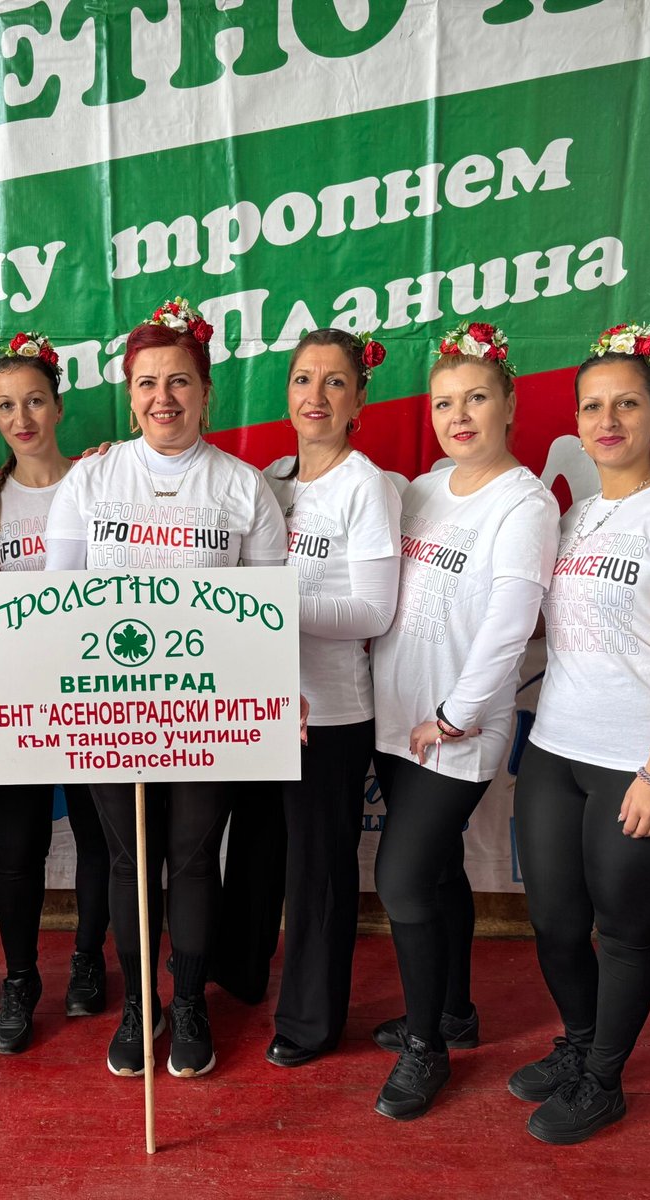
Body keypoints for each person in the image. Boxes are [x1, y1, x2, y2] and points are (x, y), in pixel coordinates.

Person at [45, 297, 287, 1079]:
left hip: (206, 712)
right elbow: (56, 599)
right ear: (129, 394)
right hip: (112, 711)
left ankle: (188, 1003)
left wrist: (279, 694)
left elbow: (266, 614)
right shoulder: (90, 480)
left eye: (179, 381)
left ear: (206, 392)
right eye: (147, 383)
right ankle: (138, 1004)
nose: (163, 398)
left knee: (190, 859)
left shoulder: (244, 487)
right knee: (128, 862)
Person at [510, 323, 650, 1144]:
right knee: (555, 922)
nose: (609, 421)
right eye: (594, 407)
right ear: (576, 421)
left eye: (627, 404)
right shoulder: (577, 517)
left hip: (642, 762)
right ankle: (578, 1043)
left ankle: (603, 1082)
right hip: (557, 750)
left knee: (624, 934)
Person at [368, 321, 559, 1120]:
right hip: (394, 714)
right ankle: (452, 1011)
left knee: (403, 878)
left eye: (476, 398)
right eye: (445, 402)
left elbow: (511, 627)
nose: (459, 416)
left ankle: (426, 1049)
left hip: (454, 726)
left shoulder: (525, 503)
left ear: (509, 404)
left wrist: (453, 715)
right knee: (440, 870)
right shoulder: (423, 488)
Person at [260, 329, 400, 1068]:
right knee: (257, 857)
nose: (315, 396)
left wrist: (264, 608)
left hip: (332, 712)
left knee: (317, 873)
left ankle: (311, 1022)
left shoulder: (365, 485)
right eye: (303, 379)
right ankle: (240, 979)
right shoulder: (272, 478)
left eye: (335, 382)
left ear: (358, 400)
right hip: (260, 706)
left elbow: (373, 612)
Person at [0, 331, 112, 1054]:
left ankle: (89, 959)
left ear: (58, 406)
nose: (20, 418)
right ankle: (21, 979)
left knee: (97, 835)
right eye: (4, 406)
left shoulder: (100, 481)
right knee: (19, 844)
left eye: (33, 402)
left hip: (91, 689)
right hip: (19, 694)